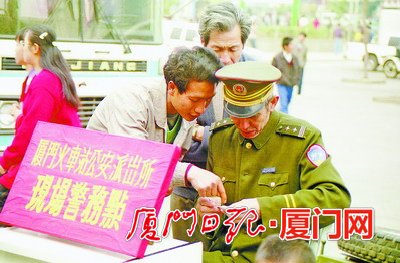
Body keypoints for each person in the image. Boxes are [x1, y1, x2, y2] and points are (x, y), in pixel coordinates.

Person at [197, 61, 351, 262]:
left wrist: (263, 207)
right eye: (236, 114)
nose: (244, 125)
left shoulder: (302, 139)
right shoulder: (221, 138)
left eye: (253, 115)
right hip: (220, 255)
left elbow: (335, 199)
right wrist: (206, 210)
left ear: (273, 102)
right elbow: (212, 218)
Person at [87, 46, 227, 201]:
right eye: (195, 100)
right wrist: (189, 172)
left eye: (208, 100)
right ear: (172, 88)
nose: (201, 109)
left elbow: (169, 166)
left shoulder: (186, 113)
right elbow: (135, 158)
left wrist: (165, 180)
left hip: (137, 199)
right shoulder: (131, 99)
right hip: (98, 195)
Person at [171, 1, 253, 245]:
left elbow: (255, 136)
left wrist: (200, 134)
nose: (226, 58)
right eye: (217, 49)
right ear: (202, 42)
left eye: (233, 49)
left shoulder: (256, 78)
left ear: (243, 44)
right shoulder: (182, 71)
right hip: (189, 198)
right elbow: (176, 142)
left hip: (240, 201)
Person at [0, 25, 81, 212]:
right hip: (50, 160)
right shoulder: (50, 77)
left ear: (35, 48)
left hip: (45, 164)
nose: (17, 48)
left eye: (22, 43)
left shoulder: (44, 82)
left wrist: (4, 163)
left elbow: (30, 131)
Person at [272, 36, 300, 114]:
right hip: (282, 83)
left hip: (291, 84)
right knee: (284, 104)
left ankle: (281, 112)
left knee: (288, 101)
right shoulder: (277, 57)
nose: (293, 46)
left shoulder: (294, 57)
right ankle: (284, 118)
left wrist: (296, 80)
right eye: (291, 44)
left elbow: (298, 70)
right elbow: (272, 69)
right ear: (285, 46)